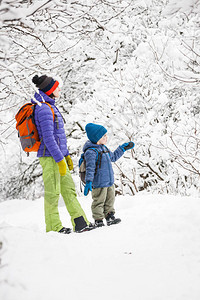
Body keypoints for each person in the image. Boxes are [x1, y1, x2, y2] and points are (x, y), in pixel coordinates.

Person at [32, 74, 94, 234]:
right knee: (53, 192)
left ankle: (80, 222)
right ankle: (53, 227)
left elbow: (59, 137)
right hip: (49, 157)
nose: (59, 89)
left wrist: (65, 155)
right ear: (50, 90)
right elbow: (48, 138)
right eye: (57, 87)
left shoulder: (51, 106)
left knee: (69, 190)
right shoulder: (43, 108)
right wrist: (60, 159)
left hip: (58, 156)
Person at [83, 123, 134, 227]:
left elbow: (113, 157)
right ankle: (98, 220)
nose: (106, 137)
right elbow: (90, 168)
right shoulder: (91, 152)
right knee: (99, 201)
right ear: (96, 138)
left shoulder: (104, 148)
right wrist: (89, 181)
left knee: (110, 199)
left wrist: (123, 148)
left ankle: (110, 216)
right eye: (103, 136)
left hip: (109, 182)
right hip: (99, 183)